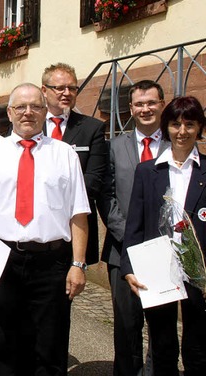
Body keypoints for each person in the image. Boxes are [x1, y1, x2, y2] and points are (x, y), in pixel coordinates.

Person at [0, 83, 90, 376]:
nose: (28, 112)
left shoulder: (65, 154)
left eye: (35, 106)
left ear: (46, 111)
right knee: (1, 344)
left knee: (49, 347)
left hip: (51, 263)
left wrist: (78, 264)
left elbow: (79, 214)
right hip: (0, 260)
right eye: (20, 107)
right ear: (9, 113)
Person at [122, 96, 206, 376]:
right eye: (175, 124)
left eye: (190, 124)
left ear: (199, 128)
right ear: (166, 127)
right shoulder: (147, 171)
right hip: (158, 267)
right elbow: (135, 222)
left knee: (198, 348)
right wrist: (129, 268)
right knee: (162, 345)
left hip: (200, 270)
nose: (182, 131)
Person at [97, 80, 167, 376]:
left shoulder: (175, 144)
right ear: (130, 109)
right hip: (122, 251)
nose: (145, 109)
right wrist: (132, 238)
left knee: (162, 329)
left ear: (162, 104)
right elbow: (106, 196)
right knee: (126, 327)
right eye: (139, 104)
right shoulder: (114, 147)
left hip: (166, 252)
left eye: (151, 102)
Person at [41, 63, 107, 266]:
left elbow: (94, 179)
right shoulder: (28, 125)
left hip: (75, 226)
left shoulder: (92, 128)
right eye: (60, 88)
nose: (66, 93)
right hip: (38, 223)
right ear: (44, 90)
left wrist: (55, 198)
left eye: (72, 88)